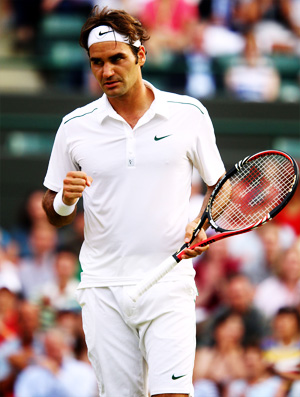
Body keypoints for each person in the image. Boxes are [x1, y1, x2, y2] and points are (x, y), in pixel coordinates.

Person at [41, 6, 225, 397]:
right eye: (96, 63)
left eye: (116, 59)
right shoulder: (74, 127)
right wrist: (64, 202)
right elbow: (53, 212)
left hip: (169, 282)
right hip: (103, 289)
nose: (106, 71)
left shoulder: (189, 114)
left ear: (140, 56)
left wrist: (201, 223)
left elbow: (219, 186)